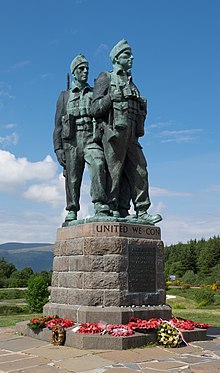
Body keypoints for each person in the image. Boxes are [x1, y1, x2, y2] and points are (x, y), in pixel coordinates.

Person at [91, 39, 162, 224]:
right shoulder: (105, 77)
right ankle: (112, 208)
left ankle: (142, 210)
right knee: (114, 173)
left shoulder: (132, 82)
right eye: (126, 55)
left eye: (130, 55)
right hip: (115, 132)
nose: (131, 58)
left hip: (132, 133)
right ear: (116, 58)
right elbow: (94, 109)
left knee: (140, 170)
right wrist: (110, 98)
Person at [53, 54, 110, 225]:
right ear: (74, 72)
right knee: (73, 177)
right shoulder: (64, 96)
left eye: (86, 68)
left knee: (98, 163)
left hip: (91, 138)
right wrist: (58, 149)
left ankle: (100, 204)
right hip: (71, 141)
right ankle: (72, 209)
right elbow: (57, 126)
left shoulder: (95, 93)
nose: (85, 71)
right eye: (81, 68)